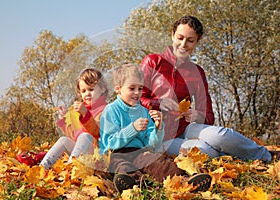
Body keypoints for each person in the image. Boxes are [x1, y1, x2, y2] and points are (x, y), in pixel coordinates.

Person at [140, 15, 279, 161]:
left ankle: (267, 155)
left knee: (220, 135)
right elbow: (134, 100)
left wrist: (197, 116)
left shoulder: (197, 72)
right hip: (157, 135)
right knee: (204, 150)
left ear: (197, 42)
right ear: (172, 35)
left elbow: (208, 115)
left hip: (186, 128)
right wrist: (157, 104)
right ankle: (233, 158)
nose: (183, 44)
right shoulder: (153, 62)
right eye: (180, 38)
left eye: (190, 40)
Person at [99, 63, 212, 194]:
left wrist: (158, 128)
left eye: (140, 88)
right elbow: (109, 142)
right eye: (132, 88)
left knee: (158, 163)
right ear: (118, 89)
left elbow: (152, 144)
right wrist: (133, 128)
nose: (137, 93)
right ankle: (132, 184)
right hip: (116, 153)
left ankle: (185, 181)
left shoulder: (143, 111)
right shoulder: (111, 110)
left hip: (139, 152)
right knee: (122, 167)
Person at [40, 68, 108, 169]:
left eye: (91, 89)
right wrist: (63, 120)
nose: (87, 94)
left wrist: (85, 114)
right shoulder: (80, 111)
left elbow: (97, 132)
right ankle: (42, 167)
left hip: (97, 156)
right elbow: (74, 136)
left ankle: (71, 169)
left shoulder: (106, 110)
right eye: (83, 91)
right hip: (81, 153)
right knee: (64, 140)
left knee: (85, 136)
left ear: (102, 88)